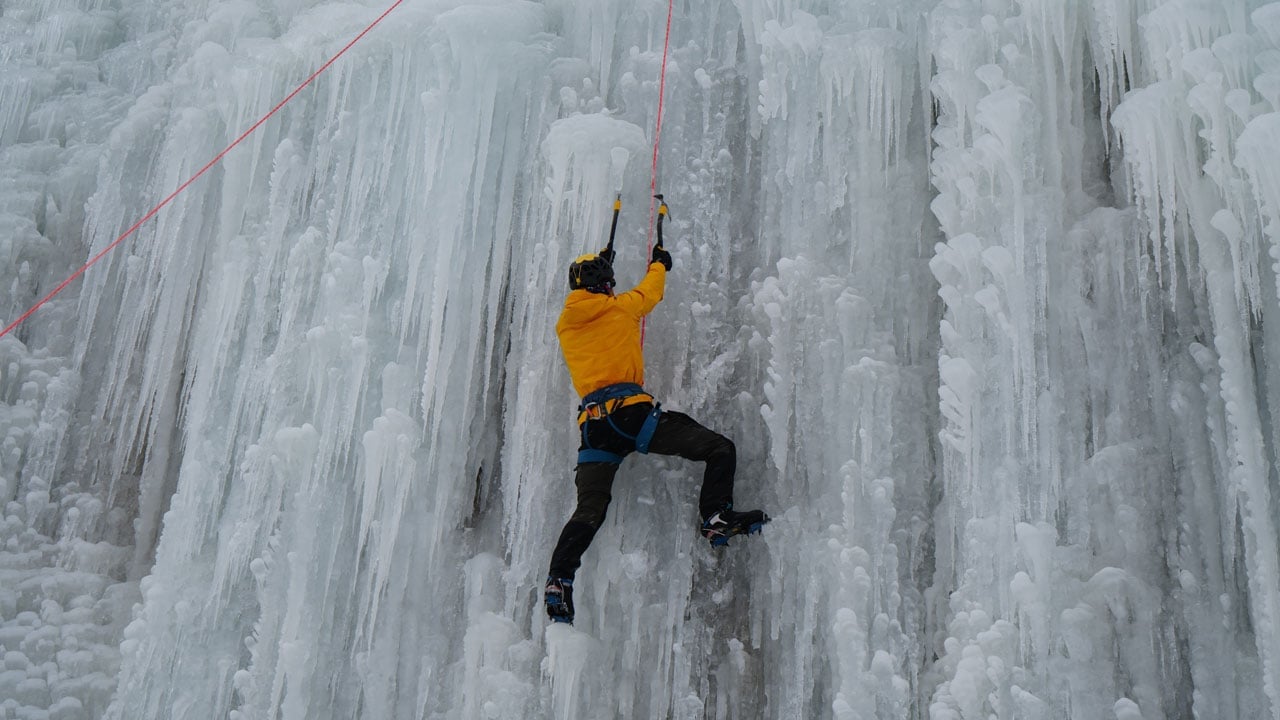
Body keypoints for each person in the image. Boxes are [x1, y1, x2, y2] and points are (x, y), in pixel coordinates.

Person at [543, 237, 769, 624]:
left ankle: (558, 581)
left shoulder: (565, 325)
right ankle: (716, 517)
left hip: (594, 430)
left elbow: (593, 303)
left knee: (589, 509)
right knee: (719, 448)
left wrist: (602, 270)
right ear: (604, 286)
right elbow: (651, 292)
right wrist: (659, 263)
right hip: (632, 417)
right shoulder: (621, 308)